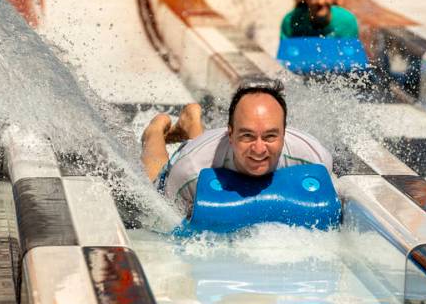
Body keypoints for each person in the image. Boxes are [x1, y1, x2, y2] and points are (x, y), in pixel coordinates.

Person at [141, 79, 332, 216]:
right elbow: (162, 223)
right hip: (198, 154)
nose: (259, 149)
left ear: (284, 133)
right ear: (230, 134)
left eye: (270, 136)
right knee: (155, 178)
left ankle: (191, 121)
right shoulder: (189, 171)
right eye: (247, 136)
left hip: (212, 150)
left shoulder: (315, 159)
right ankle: (155, 129)